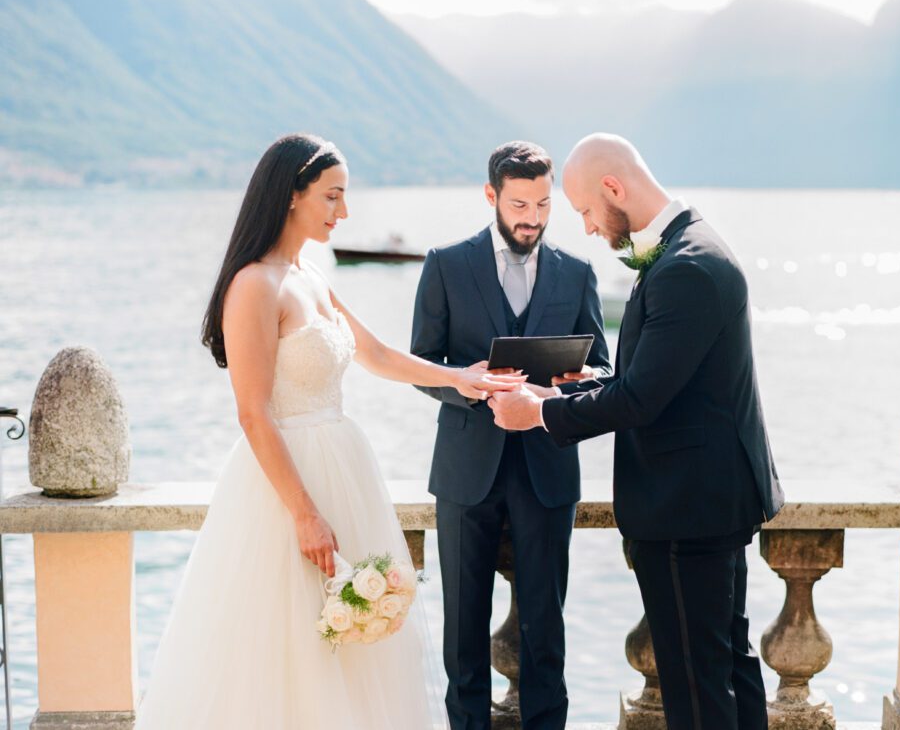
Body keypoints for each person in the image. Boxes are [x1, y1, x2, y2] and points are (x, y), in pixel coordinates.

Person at [134, 134, 522, 729]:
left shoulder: (310, 275)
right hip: (285, 490)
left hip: (344, 470)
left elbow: (377, 354)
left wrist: (462, 379)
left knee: (352, 652)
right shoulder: (254, 286)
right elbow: (253, 413)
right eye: (332, 196)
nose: (344, 213)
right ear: (291, 195)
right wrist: (305, 514)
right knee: (284, 651)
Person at [490, 133, 785, 730]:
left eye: (585, 211)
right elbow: (654, 382)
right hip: (709, 500)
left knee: (697, 685)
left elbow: (642, 398)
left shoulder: (687, 269)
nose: (590, 229)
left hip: (688, 509)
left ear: (614, 189)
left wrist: (539, 413)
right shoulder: (689, 248)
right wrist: (559, 391)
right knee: (727, 665)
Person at [410, 141, 612, 730]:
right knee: (463, 630)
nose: (533, 217)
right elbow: (423, 364)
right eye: (520, 203)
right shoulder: (445, 264)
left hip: (547, 470)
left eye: (544, 204)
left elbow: (603, 369)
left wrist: (577, 381)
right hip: (466, 471)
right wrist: (467, 385)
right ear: (491, 195)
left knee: (545, 628)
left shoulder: (577, 274)